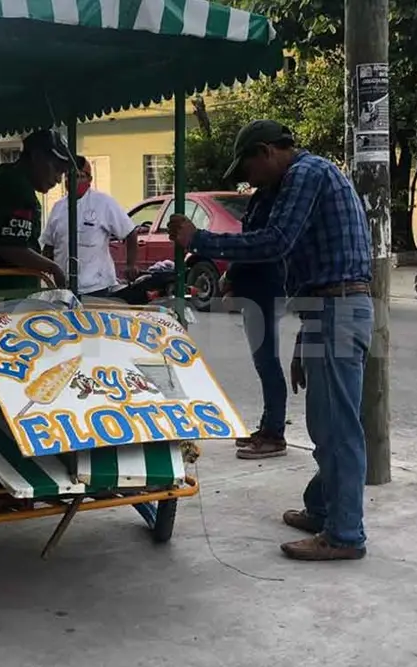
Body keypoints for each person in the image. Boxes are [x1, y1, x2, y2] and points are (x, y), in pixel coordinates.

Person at [167, 120, 374, 562]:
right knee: (325, 422)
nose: (248, 180)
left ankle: (344, 534)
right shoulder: (310, 176)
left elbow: (276, 242)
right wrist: (304, 339)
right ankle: (323, 509)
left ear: (265, 152)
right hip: (327, 307)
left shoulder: (305, 174)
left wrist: (198, 238)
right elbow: (313, 269)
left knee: (338, 428)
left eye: (248, 169)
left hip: (338, 309)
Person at [0, 129, 71, 293]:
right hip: (6, 294)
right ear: (37, 157)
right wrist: (53, 268)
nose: (58, 179)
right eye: (57, 169)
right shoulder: (17, 187)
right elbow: (11, 248)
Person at [224, 186, 289, 460]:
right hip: (258, 289)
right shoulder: (262, 197)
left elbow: (253, 248)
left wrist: (231, 275)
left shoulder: (274, 199)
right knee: (264, 361)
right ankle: (268, 427)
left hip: (265, 289)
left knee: (267, 362)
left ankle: (274, 433)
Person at [39, 155, 138, 297]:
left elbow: (130, 232)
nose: (74, 180)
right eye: (69, 176)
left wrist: (131, 264)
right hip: (64, 289)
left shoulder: (103, 203)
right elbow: (49, 246)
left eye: (80, 176)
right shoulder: (58, 208)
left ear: (90, 179)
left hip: (97, 288)